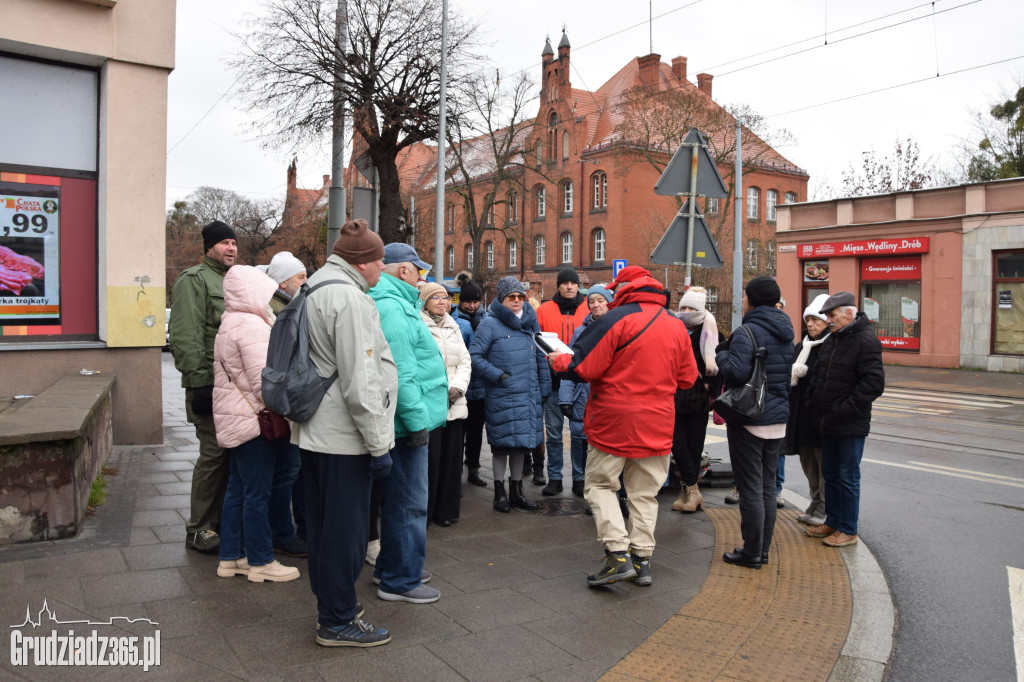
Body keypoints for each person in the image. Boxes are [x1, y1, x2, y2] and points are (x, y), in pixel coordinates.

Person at [550, 267, 696, 587]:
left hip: (614, 419)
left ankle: (617, 554)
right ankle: (642, 559)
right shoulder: (675, 325)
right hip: (657, 422)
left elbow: (584, 366)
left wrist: (557, 360)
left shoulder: (614, 320)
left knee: (601, 485)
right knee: (644, 494)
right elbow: (687, 378)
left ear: (623, 290)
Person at [292, 219, 396, 647]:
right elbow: (361, 379)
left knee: (321, 527)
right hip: (342, 437)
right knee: (345, 533)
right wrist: (378, 445)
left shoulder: (315, 285)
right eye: (381, 260)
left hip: (316, 431)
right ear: (364, 262)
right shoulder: (349, 298)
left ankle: (334, 606)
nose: (384, 267)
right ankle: (336, 619)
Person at [369, 242, 448, 604]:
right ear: (403, 270)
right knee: (408, 502)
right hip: (406, 425)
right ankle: (400, 580)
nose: (421, 277)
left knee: (402, 500)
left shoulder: (395, 303)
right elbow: (400, 373)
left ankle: (391, 567)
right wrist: (417, 423)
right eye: (419, 270)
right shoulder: (394, 307)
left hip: (405, 421)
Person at [212, 265, 301, 583]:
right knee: (257, 493)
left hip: (236, 418)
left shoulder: (230, 322)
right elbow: (266, 382)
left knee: (239, 489)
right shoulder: (251, 326)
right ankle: (261, 560)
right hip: (254, 423)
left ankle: (231, 557)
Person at [717, 276, 794, 570]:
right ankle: (762, 551)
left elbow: (735, 372)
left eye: (744, 296)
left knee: (750, 489)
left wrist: (722, 353)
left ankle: (750, 553)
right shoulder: (786, 331)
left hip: (750, 419)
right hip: (778, 420)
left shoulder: (746, 331)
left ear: (751, 299)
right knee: (767, 488)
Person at [169, 220, 237, 554]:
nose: (231, 248)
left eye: (234, 242)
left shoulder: (232, 280)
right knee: (213, 454)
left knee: (228, 455)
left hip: (233, 388)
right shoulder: (193, 280)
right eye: (224, 242)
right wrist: (199, 384)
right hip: (209, 385)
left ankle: (220, 521)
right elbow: (185, 335)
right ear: (208, 246)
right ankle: (199, 528)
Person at [803, 291, 885, 548]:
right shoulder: (833, 338)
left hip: (849, 424)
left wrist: (842, 409)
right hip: (828, 423)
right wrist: (813, 404)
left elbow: (873, 385)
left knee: (847, 477)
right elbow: (817, 376)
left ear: (849, 313)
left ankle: (848, 529)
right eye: (827, 315)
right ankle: (834, 521)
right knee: (831, 475)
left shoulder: (866, 341)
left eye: (832, 315)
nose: (828, 320)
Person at [469, 276, 550, 513]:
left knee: (521, 445)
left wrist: (544, 387)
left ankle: (517, 492)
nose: (517, 301)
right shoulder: (490, 324)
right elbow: (475, 356)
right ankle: (499, 493)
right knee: (501, 445)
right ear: (501, 299)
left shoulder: (530, 322)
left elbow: (540, 357)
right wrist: (498, 375)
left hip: (528, 394)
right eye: (511, 297)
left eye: (520, 297)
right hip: (503, 394)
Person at [261, 250, 309, 556]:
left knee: (293, 472)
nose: (306, 282)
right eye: (300, 277)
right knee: (285, 473)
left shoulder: (291, 306)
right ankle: (281, 532)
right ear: (282, 282)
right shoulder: (272, 311)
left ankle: (292, 530)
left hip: (290, 402)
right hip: (281, 404)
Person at [419, 282, 472, 527]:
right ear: (425, 302)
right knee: (431, 460)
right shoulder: (418, 324)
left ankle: (445, 511)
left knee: (452, 460)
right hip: (430, 401)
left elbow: (464, 361)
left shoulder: (454, 326)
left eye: (446, 297)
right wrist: (438, 389)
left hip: (455, 400)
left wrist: (457, 388)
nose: (443, 301)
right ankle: (426, 512)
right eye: (436, 298)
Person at [536, 268, 589, 495]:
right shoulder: (545, 309)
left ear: (578, 286)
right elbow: (536, 342)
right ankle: (555, 478)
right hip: (554, 381)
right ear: (558, 286)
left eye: (573, 283)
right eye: (565, 283)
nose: (569, 287)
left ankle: (580, 479)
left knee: (579, 435)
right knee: (555, 434)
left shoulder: (589, 308)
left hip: (581, 383)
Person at [671, 286, 723, 514]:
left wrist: (708, 386)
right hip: (673, 395)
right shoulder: (673, 327)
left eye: (692, 308)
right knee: (677, 444)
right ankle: (693, 489)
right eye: (683, 307)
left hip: (698, 398)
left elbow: (719, 364)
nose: (686, 311)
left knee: (694, 447)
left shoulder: (710, 330)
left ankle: (689, 492)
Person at [557, 285, 613, 497]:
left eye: (600, 300)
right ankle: (579, 479)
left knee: (602, 447)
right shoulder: (580, 332)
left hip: (606, 396)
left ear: (609, 302)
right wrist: (565, 398)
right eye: (592, 301)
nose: (596, 305)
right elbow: (570, 364)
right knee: (579, 441)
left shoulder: (617, 327)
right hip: (582, 395)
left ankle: (600, 487)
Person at [783, 294, 831, 526]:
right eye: (808, 320)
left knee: (823, 465)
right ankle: (814, 500)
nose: (811, 325)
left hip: (818, 417)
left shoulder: (830, 345)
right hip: (800, 415)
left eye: (816, 320)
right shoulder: (802, 346)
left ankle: (824, 505)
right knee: (807, 462)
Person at [452, 278, 489, 488]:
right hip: (462, 386)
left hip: (480, 387)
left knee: (476, 431)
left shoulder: (487, 320)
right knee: (459, 434)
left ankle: (473, 468)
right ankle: (454, 473)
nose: (472, 306)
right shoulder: (456, 321)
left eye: (476, 302)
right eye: (468, 302)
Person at [266, 251, 308, 315]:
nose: (306, 280)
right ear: (283, 283)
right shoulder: (279, 311)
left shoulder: (288, 304)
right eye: (301, 277)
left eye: (306, 276)